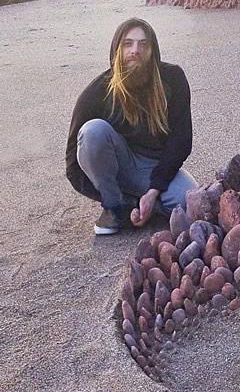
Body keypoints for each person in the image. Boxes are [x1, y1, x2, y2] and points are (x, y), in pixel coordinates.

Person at [66, 17, 197, 235]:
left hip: (154, 166)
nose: (135, 50)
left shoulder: (173, 79)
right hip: (118, 166)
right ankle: (118, 208)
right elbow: (72, 164)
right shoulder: (97, 92)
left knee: (189, 202)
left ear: (152, 50)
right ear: (117, 50)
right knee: (93, 132)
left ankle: (146, 203)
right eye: (128, 44)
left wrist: (154, 190)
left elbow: (180, 141)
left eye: (143, 44)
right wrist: (115, 200)